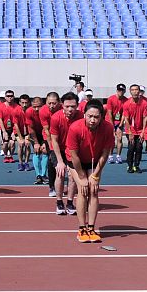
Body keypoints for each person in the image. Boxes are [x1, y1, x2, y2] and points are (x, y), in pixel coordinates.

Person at [65, 100, 114, 243]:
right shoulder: (75, 128)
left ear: (101, 117)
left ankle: (91, 228)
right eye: (89, 116)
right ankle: (81, 228)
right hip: (76, 160)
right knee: (83, 189)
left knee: (93, 190)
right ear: (84, 115)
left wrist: (95, 175)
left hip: (94, 159)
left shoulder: (107, 128)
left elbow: (105, 154)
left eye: (96, 117)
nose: (92, 120)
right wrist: (82, 177)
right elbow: (73, 155)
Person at [49, 92, 82, 215]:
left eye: (73, 106)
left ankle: (69, 202)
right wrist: (61, 161)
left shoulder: (81, 116)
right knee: (60, 172)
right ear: (62, 105)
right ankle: (59, 202)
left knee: (73, 176)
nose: (70, 109)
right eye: (67, 106)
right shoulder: (55, 118)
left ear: (77, 106)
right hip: (58, 148)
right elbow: (54, 141)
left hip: (72, 149)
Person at [121, 84, 147, 174]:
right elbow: (126, 118)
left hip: (140, 130)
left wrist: (143, 131)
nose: (135, 91)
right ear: (130, 91)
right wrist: (130, 132)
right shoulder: (127, 104)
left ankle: (136, 166)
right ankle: (129, 165)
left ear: (139, 91)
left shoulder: (144, 103)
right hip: (131, 130)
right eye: (133, 90)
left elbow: (145, 117)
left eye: (136, 89)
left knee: (139, 148)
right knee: (131, 148)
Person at [0, 90, 17, 163]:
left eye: (11, 96)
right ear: (5, 97)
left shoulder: (16, 107)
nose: (9, 98)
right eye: (8, 96)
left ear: (13, 97)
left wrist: (14, 132)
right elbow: (0, 119)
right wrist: (4, 131)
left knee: (12, 143)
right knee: (5, 144)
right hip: (4, 128)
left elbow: (17, 120)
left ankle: (10, 155)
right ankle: (5, 156)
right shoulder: (1, 107)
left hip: (13, 128)